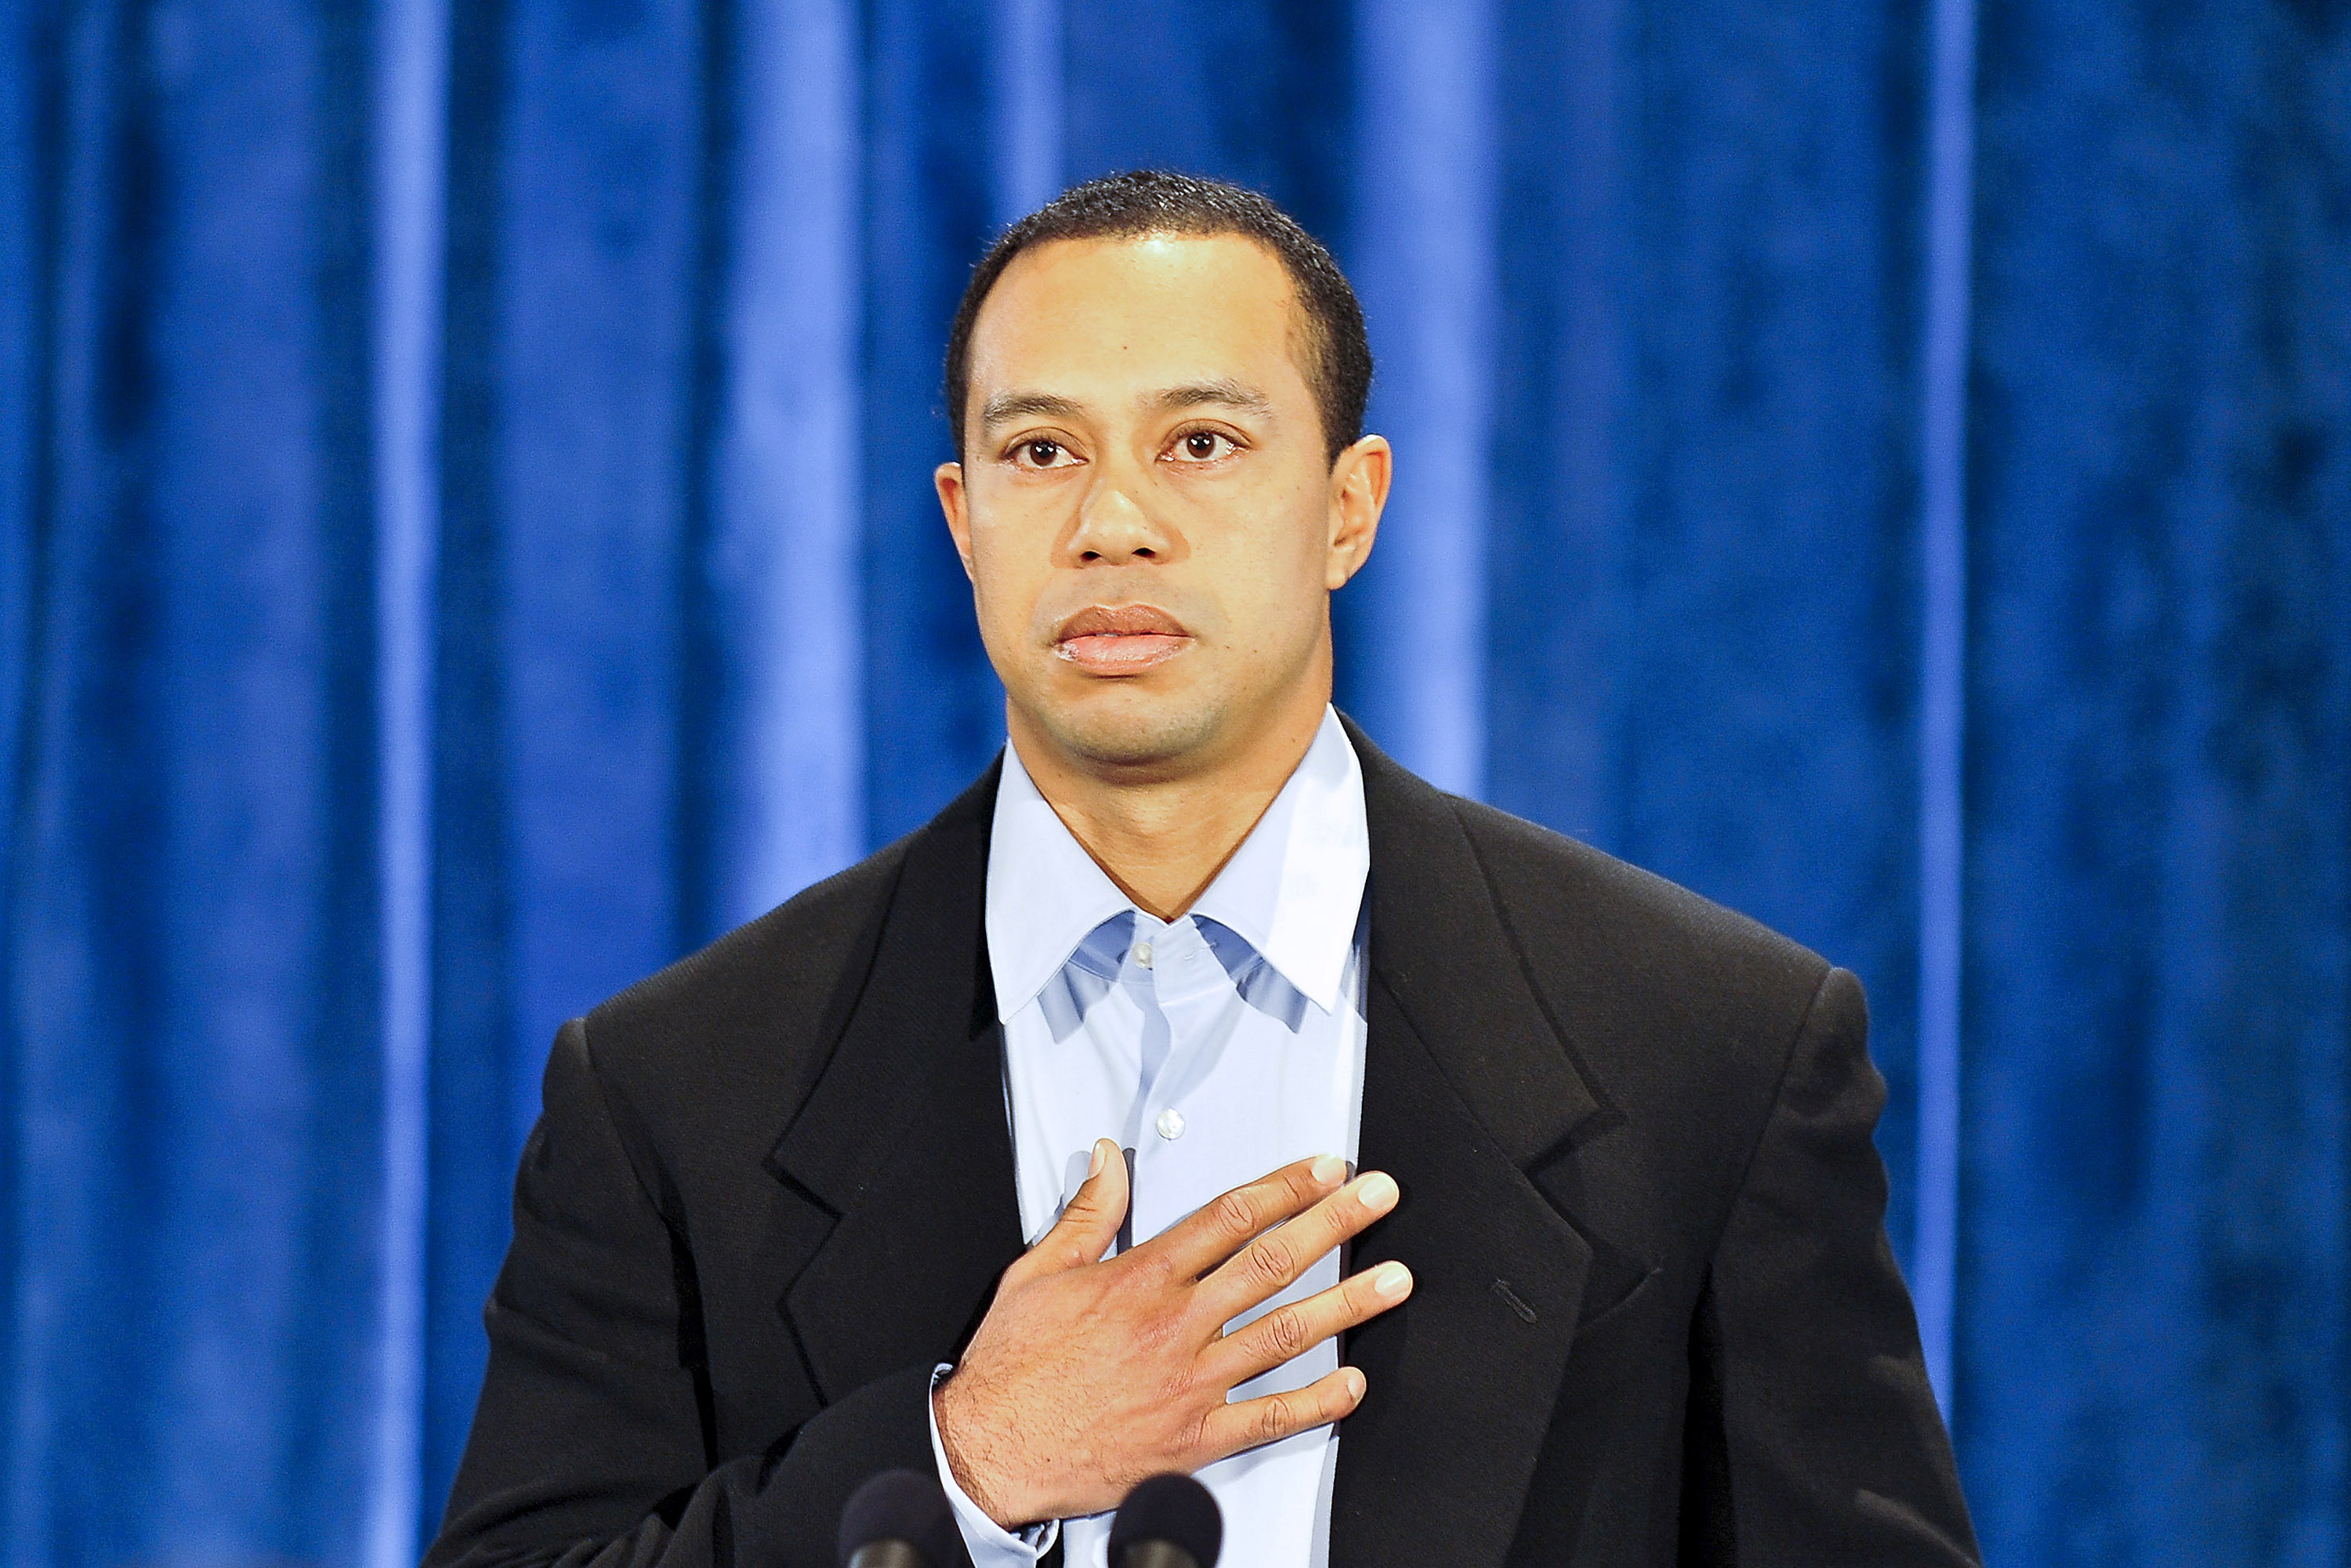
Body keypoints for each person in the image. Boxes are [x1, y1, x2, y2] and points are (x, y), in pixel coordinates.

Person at [426, 170, 1980, 1568]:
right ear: (964, 519)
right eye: (1041, 449)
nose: (1113, 522)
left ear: (1350, 508)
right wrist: (970, 1460)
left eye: (1202, 444)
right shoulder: (676, 1087)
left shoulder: (1709, 1048)